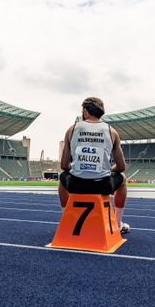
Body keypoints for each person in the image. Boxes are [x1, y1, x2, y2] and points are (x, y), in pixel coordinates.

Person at [58, 96, 130, 234]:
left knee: (62, 180)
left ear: (85, 112)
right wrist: (108, 169)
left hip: (76, 184)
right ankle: (117, 223)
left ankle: (67, 221)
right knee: (122, 178)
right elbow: (121, 167)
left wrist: (80, 166)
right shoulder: (112, 131)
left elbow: (64, 165)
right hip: (103, 185)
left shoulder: (71, 130)